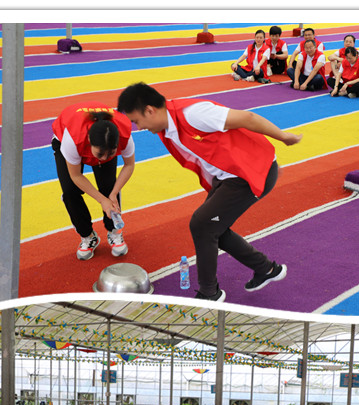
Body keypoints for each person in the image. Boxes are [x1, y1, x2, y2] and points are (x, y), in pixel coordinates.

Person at [117, 82, 301, 303]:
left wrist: (283, 137)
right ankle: (266, 269)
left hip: (247, 176)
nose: (138, 128)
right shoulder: (167, 126)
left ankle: (210, 293)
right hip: (229, 176)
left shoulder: (194, 114)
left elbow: (248, 118)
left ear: (149, 110)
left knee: (203, 224)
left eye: (137, 121)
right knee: (212, 228)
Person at [51, 103, 135, 260]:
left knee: (109, 186)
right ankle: (88, 236)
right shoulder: (72, 140)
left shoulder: (124, 135)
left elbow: (129, 165)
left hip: (100, 141)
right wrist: (102, 200)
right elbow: (76, 176)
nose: (104, 158)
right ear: (89, 141)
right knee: (70, 191)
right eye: (100, 154)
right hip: (68, 138)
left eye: (111, 153)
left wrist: (113, 194)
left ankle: (114, 230)